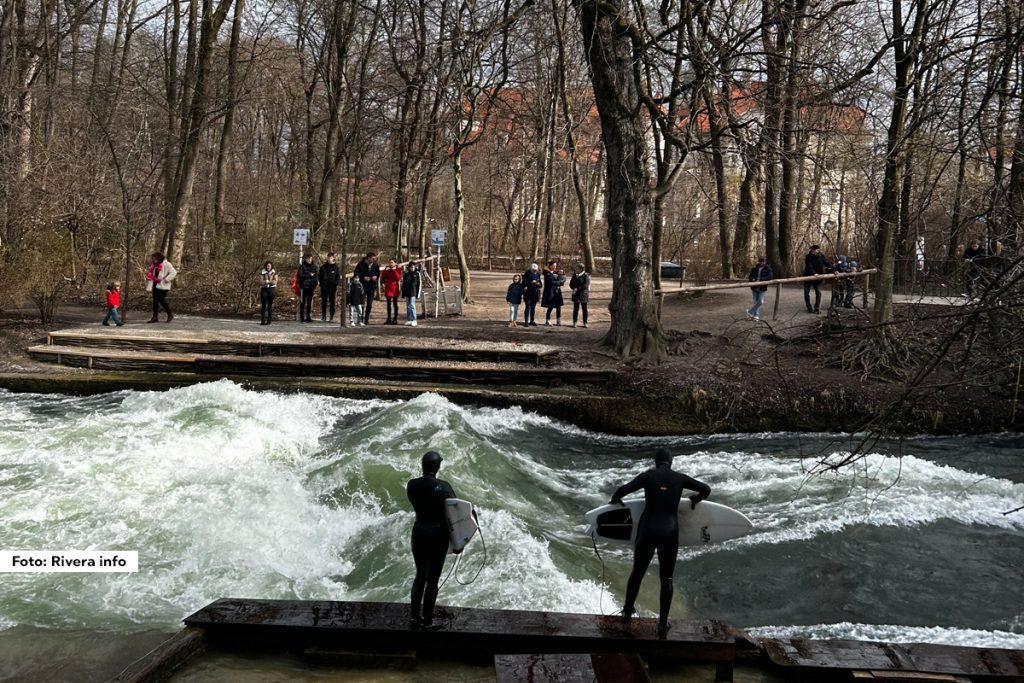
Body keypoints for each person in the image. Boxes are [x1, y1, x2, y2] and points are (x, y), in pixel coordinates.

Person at [610, 448, 710, 638]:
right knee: (667, 578)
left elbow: (622, 491)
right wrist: (695, 499)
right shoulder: (680, 478)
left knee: (637, 573)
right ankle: (662, 624)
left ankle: (627, 613)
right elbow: (706, 489)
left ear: (656, 462)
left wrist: (616, 501)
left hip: (647, 530)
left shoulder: (648, 476)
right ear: (670, 462)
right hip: (669, 533)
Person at [407, 450, 457, 631]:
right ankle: (427, 620)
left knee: (420, 576)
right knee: (432, 580)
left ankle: (414, 618)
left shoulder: (411, 485)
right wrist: (458, 542)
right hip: (437, 535)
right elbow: (457, 510)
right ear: (437, 466)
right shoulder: (443, 486)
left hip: (419, 532)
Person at [146, 252, 177, 323]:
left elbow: (174, 272)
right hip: (155, 284)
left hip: (163, 285)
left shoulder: (167, 264)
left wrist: (167, 279)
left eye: (154, 258)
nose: (152, 260)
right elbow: (153, 274)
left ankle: (170, 314)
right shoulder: (154, 265)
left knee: (161, 300)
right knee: (155, 302)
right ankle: (154, 317)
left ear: (158, 258)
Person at [802, 244, 830, 314]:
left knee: (818, 292)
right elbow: (809, 266)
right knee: (806, 292)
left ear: (818, 250)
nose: (813, 251)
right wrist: (814, 273)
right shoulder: (808, 257)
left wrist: (834, 269)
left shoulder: (822, 256)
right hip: (808, 276)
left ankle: (817, 307)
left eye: (814, 250)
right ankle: (809, 307)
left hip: (818, 277)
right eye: (812, 250)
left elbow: (827, 263)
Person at [355, 252, 380, 324]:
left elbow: (378, 273)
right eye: (372, 258)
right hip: (362, 286)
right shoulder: (360, 264)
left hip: (371, 286)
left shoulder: (375, 265)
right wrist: (363, 277)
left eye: (374, 259)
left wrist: (376, 277)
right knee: (361, 303)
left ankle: (366, 319)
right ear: (368, 258)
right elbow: (356, 273)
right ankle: (360, 318)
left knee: (369, 304)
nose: (373, 260)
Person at [747, 256, 772, 320]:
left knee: (760, 301)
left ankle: (750, 311)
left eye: (764, 261)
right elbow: (750, 277)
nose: (762, 262)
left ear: (765, 262)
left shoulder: (768, 269)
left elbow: (770, 277)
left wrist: (760, 279)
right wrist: (752, 279)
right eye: (761, 261)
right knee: (755, 302)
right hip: (754, 287)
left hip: (762, 288)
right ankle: (756, 316)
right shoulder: (754, 269)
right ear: (759, 261)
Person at [318, 253, 341, 322]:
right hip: (324, 288)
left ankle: (331, 316)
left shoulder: (336, 267)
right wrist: (321, 284)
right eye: (328, 258)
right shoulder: (323, 267)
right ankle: (323, 316)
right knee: (324, 302)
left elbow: (338, 278)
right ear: (327, 258)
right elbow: (319, 277)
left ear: (333, 258)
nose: (329, 259)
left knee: (332, 302)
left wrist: (335, 284)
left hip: (332, 288)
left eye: (331, 258)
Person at [381, 258, 404, 325]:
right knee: (388, 304)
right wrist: (385, 270)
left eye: (392, 262)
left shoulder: (398, 269)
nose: (390, 264)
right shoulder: (387, 269)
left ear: (395, 263)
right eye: (389, 262)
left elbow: (398, 278)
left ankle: (395, 318)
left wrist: (394, 270)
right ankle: (389, 318)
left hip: (395, 288)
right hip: (388, 288)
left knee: (395, 304)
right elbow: (383, 277)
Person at [542, 262, 565, 326]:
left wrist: (561, 275)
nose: (555, 267)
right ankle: (547, 320)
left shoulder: (554, 273)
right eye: (553, 265)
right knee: (550, 306)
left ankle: (558, 320)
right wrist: (560, 282)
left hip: (557, 292)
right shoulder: (547, 273)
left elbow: (560, 277)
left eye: (555, 265)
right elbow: (551, 282)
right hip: (551, 292)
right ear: (550, 265)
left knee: (558, 306)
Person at [297, 253, 318, 322]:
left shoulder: (314, 266)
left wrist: (315, 284)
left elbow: (316, 276)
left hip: (311, 287)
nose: (309, 260)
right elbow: (300, 276)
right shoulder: (302, 266)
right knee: (302, 302)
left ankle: (308, 317)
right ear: (305, 259)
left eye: (310, 259)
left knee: (309, 302)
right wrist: (309, 275)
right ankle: (302, 317)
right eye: (308, 259)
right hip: (303, 286)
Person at [569, 264, 590, 328]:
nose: (576, 270)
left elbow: (585, 285)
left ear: (581, 269)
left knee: (584, 309)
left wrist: (577, 288)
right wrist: (573, 288)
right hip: (576, 295)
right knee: (575, 309)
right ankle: (574, 322)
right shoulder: (574, 275)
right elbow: (571, 284)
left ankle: (585, 322)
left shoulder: (586, 276)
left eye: (577, 268)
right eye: (576, 268)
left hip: (583, 294)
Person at [402, 260, 422, 327]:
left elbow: (419, 284)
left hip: (413, 293)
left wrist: (418, 294)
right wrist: (403, 293)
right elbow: (404, 284)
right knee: (408, 306)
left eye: (413, 267)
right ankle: (409, 319)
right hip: (407, 292)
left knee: (412, 306)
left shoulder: (417, 274)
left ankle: (414, 319)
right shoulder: (406, 274)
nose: (412, 268)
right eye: (411, 267)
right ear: (409, 267)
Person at [259, 261, 278, 325]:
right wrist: (268, 281)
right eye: (267, 266)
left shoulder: (274, 272)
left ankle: (269, 321)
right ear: (265, 266)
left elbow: (275, 282)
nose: (268, 267)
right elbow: (261, 282)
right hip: (264, 289)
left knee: (270, 305)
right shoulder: (262, 272)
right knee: (264, 305)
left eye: (269, 266)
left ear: (271, 266)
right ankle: (263, 320)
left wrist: (267, 281)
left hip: (272, 289)